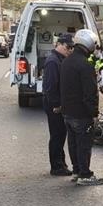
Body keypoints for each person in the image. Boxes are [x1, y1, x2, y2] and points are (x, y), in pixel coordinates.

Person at [60, 29, 103, 186]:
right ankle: (85, 174)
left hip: (68, 112)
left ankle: (77, 171)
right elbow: (90, 93)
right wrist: (94, 113)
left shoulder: (66, 61)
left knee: (72, 144)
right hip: (81, 113)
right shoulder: (85, 65)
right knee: (84, 144)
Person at [42, 33, 75, 176]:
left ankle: (61, 162)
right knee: (57, 135)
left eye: (72, 48)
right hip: (53, 104)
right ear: (60, 45)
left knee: (61, 134)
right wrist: (56, 104)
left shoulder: (60, 59)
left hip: (58, 103)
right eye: (68, 47)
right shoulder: (53, 61)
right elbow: (50, 86)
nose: (70, 51)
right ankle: (56, 166)